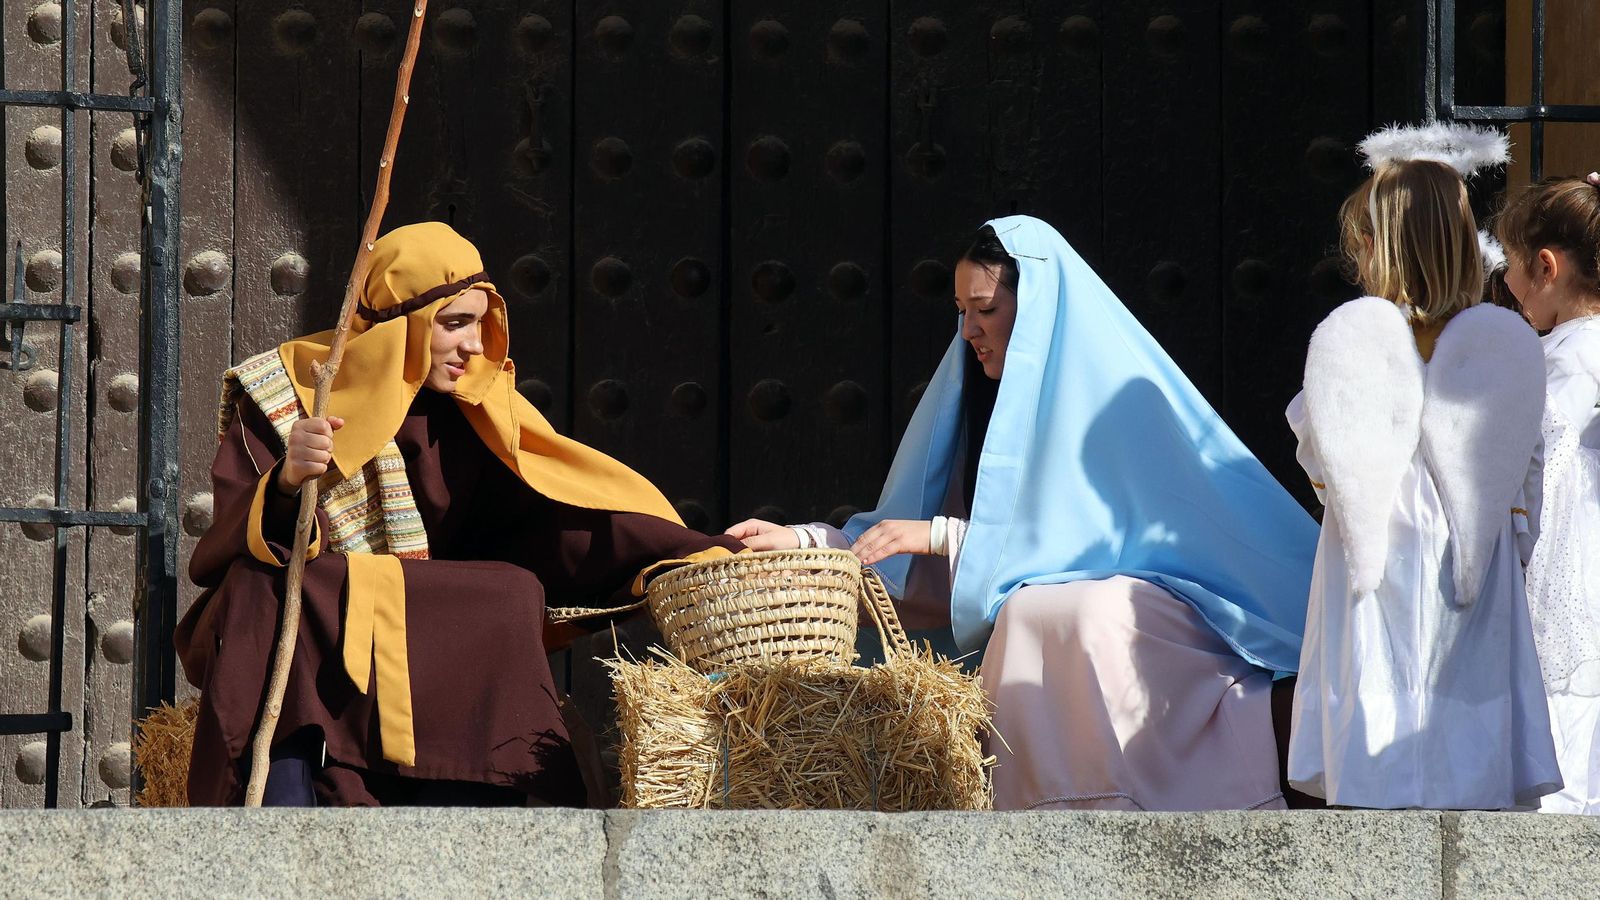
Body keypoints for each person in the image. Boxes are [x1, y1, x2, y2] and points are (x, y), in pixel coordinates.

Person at [730, 215, 1319, 811]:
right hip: (1055, 618)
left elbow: (1100, 543)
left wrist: (943, 536)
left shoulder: (1118, 400)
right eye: (961, 311)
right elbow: (920, 565)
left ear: (1033, 308)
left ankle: (1133, 800)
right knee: (1032, 612)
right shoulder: (985, 414)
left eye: (984, 309)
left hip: (1174, 617)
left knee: (1084, 611)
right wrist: (811, 546)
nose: (968, 331)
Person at [177, 222, 740, 807]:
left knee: (509, 593)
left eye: (480, 322)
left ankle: (500, 796)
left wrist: (688, 548)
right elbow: (233, 533)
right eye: (454, 323)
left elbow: (556, 514)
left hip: (425, 626)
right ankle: (291, 790)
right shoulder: (286, 391)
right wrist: (289, 481)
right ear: (401, 329)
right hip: (322, 617)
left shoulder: (475, 407)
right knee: (260, 591)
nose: (475, 344)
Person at [1286, 156, 1560, 809]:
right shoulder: (1505, 348)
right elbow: (1528, 475)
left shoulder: (1352, 344)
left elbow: (1321, 462)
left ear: (1382, 247)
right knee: (1467, 732)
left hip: (1373, 549)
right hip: (1473, 549)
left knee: (1378, 707)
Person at [1496, 172, 1600, 814]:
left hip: (1562, 604)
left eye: (1510, 265)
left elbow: (1527, 503)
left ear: (1545, 265)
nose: (1505, 284)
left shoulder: (1544, 367)